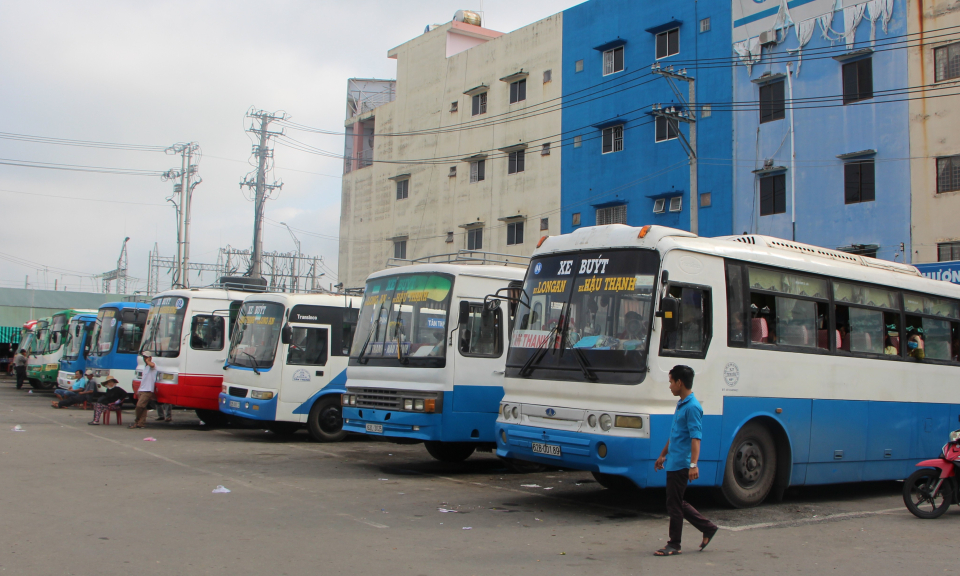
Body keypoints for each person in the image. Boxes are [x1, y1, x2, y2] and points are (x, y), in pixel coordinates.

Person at [653, 365, 718, 557]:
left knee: (674, 503)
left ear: (680, 383)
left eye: (671, 382)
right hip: (674, 460)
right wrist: (662, 454)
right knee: (676, 501)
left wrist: (693, 465)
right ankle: (708, 528)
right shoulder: (681, 404)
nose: (670, 386)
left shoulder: (692, 407)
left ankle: (674, 544)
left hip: (682, 462)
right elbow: (675, 435)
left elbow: (695, 438)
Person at [131, 351, 158, 429]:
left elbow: (152, 365)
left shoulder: (153, 366)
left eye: (146, 357)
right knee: (143, 408)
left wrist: (148, 361)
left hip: (148, 390)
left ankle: (137, 420)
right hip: (142, 389)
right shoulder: (145, 367)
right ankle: (141, 423)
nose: (145, 359)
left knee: (139, 406)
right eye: (144, 357)